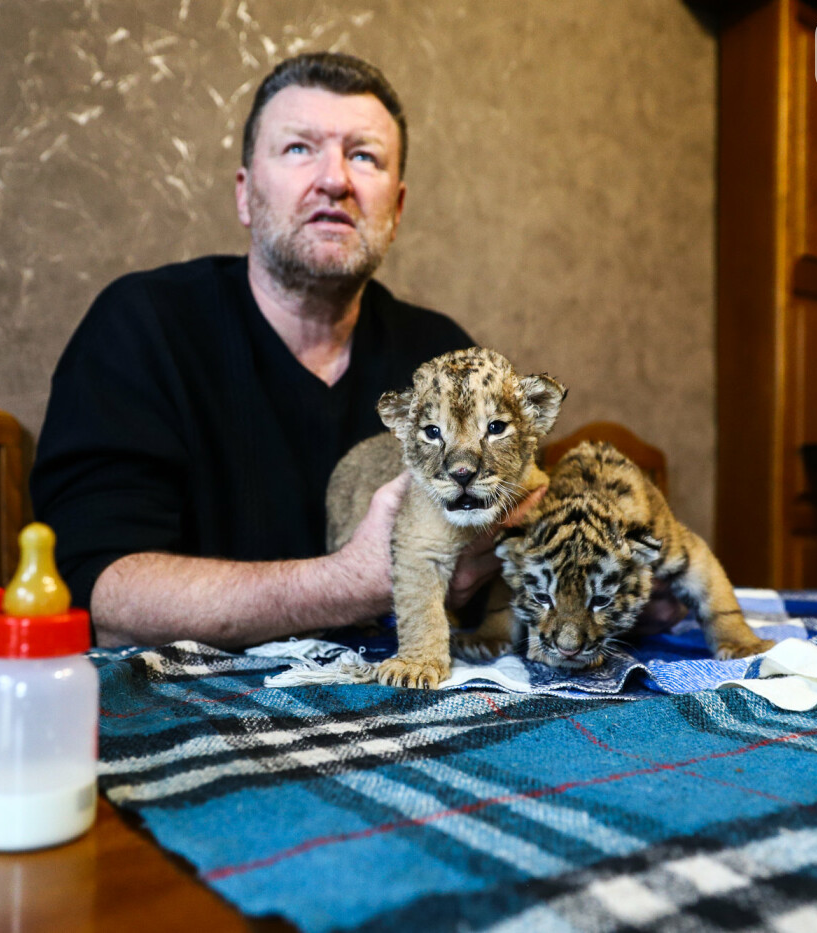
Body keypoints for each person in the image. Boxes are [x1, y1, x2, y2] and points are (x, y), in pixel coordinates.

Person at [30, 52, 543, 649]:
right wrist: (351, 582)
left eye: (364, 156)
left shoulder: (445, 359)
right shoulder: (141, 328)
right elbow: (102, 595)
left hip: (400, 704)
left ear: (397, 209)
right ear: (245, 195)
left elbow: (509, 554)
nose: (334, 179)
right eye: (299, 148)